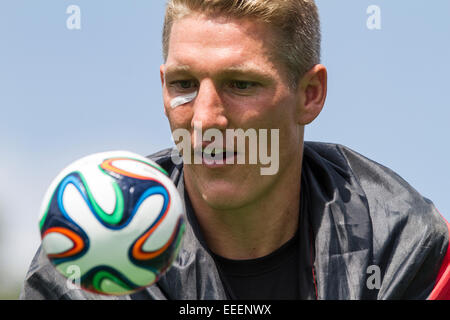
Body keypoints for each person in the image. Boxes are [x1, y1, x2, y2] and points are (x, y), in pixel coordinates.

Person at [21, 0, 450, 300]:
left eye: (241, 84)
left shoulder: (399, 242)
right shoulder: (88, 243)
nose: (205, 119)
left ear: (311, 95)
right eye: (184, 84)